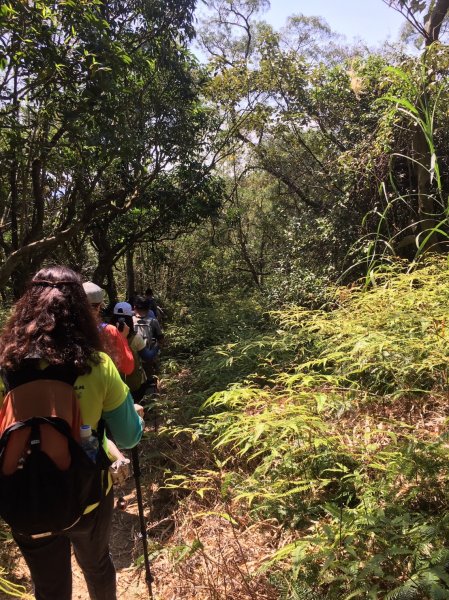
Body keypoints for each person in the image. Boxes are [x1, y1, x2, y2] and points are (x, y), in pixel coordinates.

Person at [0, 266, 144, 600]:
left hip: (24, 498)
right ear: (80, 311)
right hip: (87, 495)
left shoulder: (7, 366)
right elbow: (128, 438)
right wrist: (133, 415)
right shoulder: (96, 365)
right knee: (96, 566)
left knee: (50, 587)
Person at [83, 281, 134, 376]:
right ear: (99, 306)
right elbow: (128, 368)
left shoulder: (63, 329)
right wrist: (123, 338)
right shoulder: (110, 331)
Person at [110, 302, 156, 403]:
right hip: (135, 385)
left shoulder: (105, 337)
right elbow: (147, 357)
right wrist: (156, 348)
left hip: (113, 386)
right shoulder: (136, 338)